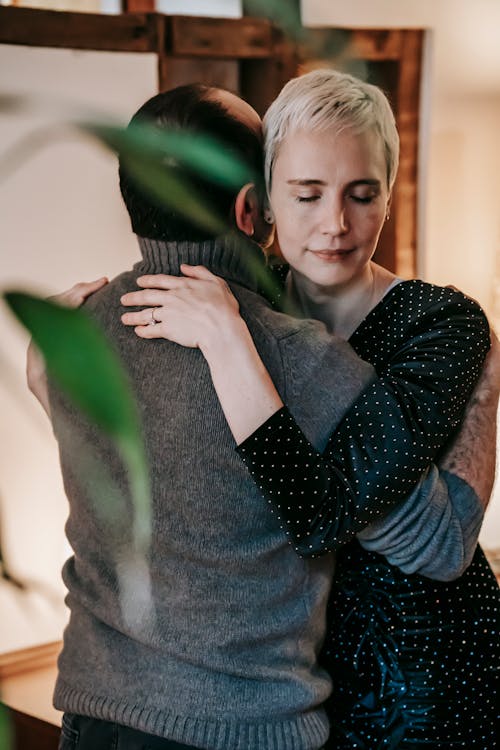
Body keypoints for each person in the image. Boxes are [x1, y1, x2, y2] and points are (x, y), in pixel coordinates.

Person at [120, 71, 500, 748]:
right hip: (285, 678)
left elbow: (326, 514)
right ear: (263, 202)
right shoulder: (242, 305)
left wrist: (229, 346)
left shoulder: (438, 323)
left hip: (419, 674)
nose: (336, 224)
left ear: (388, 194)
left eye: (363, 195)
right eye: (307, 195)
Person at [32, 82, 405, 750]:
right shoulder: (306, 360)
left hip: (94, 717)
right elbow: (431, 535)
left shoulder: (67, 336)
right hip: (243, 729)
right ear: (249, 207)